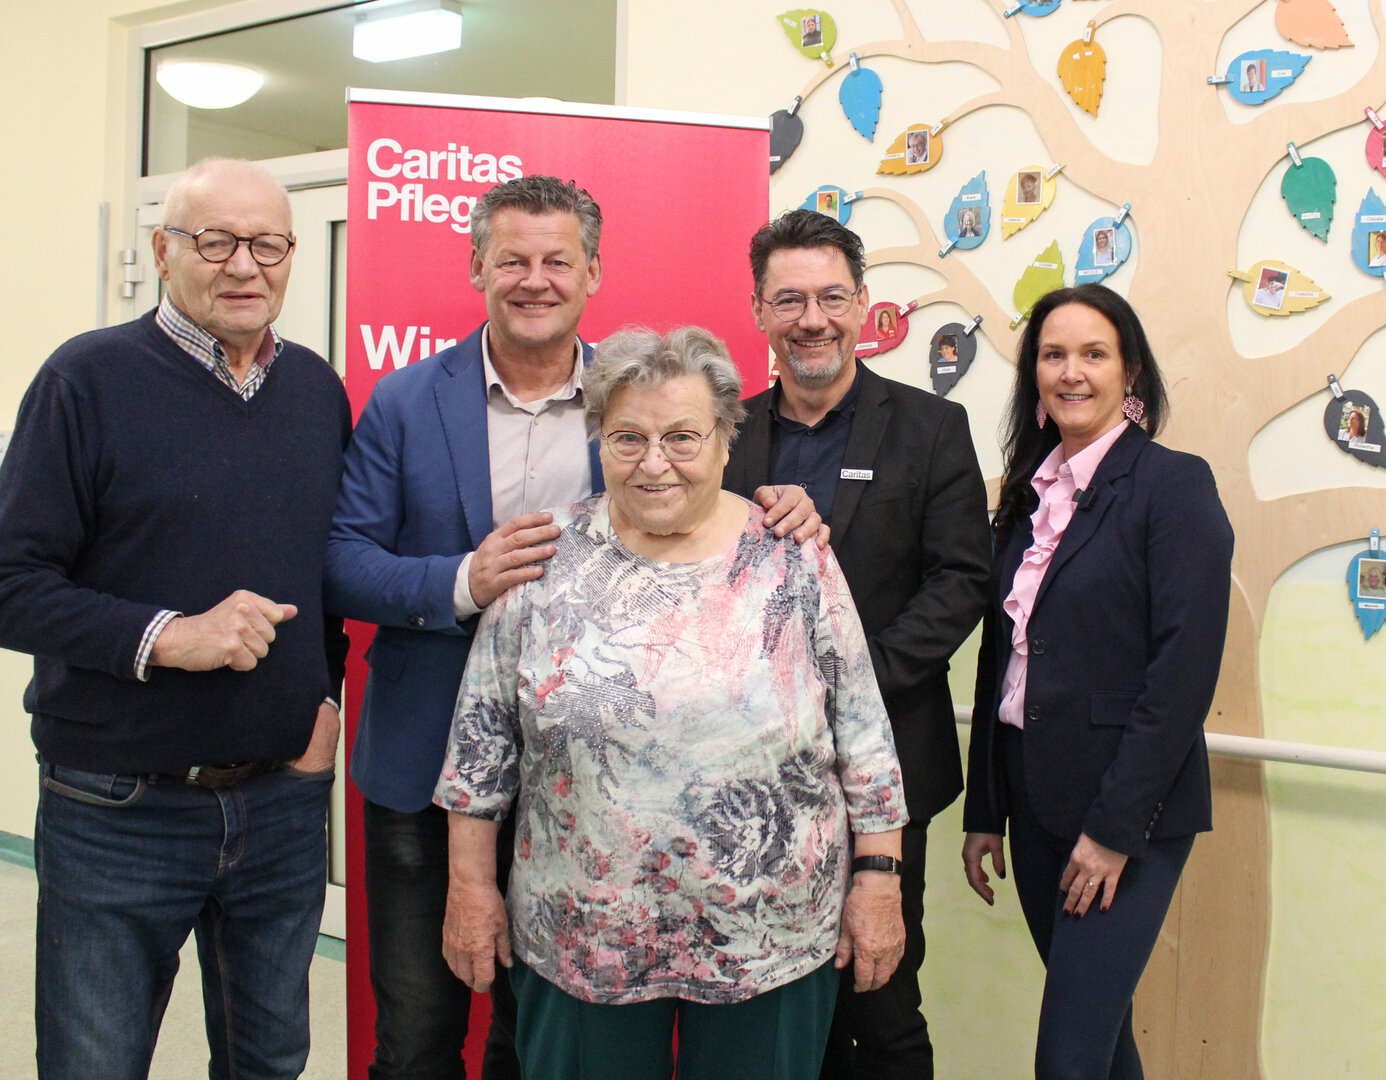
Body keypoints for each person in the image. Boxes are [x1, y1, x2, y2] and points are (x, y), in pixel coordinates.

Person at [324, 175, 820, 1080]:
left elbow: (717, 506)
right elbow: (343, 558)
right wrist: (462, 579)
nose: (534, 279)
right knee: (420, 1031)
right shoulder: (404, 402)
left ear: (593, 272)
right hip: (424, 756)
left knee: (545, 1031)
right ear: (478, 265)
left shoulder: (641, 400)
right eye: (512, 259)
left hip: (593, 786)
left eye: (559, 260)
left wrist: (787, 508)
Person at [434, 325, 908, 1080]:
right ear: (600, 440)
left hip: (770, 938)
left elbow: (863, 732)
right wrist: (469, 887)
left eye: (683, 437)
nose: (655, 463)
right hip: (583, 937)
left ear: (726, 440)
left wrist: (880, 880)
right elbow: (481, 746)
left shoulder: (792, 556)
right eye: (628, 437)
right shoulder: (543, 558)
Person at [0, 157, 351, 1079]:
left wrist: (325, 707)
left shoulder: (317, 391)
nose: (245, 265)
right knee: (96, 1061)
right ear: (163, 252)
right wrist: (168, 635)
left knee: (270, 1061)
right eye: (216, 240)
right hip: (119, 806)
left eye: (268, 244)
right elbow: (11, 580)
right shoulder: (86, 380)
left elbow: (329, 572)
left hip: (280, 803)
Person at [724, 209, 992, 1080]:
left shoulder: (929, 428)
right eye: (790, 299)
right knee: (769, 1002)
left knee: (879, 998)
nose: (813, 319)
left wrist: (850, 680)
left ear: (864, 306)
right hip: (745, 773)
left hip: (885, 770)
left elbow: (961, 580)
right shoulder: (720, 436)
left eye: (832, 297)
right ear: (759, 309)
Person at [962, 284, 1234, 1080]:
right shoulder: (1024, 495)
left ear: (1130, 372)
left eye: (1093, 353)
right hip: (1034, 799)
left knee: (1069, 1058)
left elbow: (1183, 673)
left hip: (1126, 816)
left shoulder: (1173, 486)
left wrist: (1114, 830)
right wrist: (986, 808)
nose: (1070, 372)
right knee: (1102, 1048)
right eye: (1053, 355)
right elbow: (1001, 656)